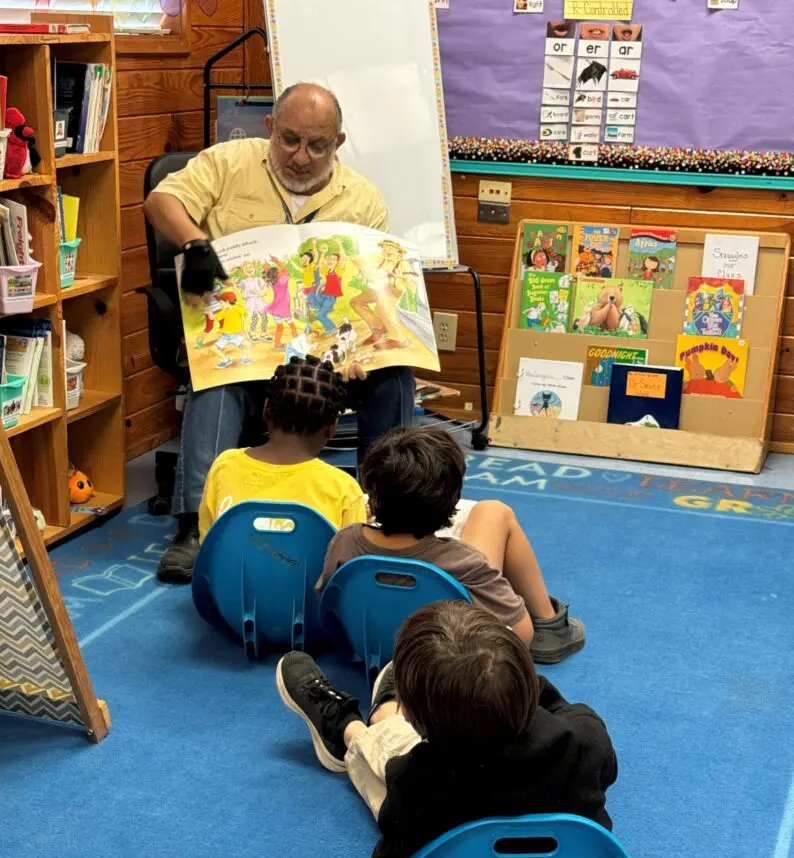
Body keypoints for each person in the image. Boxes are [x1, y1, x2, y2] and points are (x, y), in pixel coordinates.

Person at [143, 82, 415, 583]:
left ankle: (389, 515)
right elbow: (161, 202)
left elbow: (372, 291)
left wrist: (364, 350)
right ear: (270, 129)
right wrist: (196, 244)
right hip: (242, 341)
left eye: (317, 145)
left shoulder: (362, 199)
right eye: (289, 139)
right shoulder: (227, 162)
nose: (300, 157)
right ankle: (194, 527)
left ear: (338, 143)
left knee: (394, 376)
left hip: (324, 354)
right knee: (216, 382)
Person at [275, 602, 617, 858]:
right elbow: (582, 720)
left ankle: (352, 728)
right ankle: (383, 713)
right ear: (527, 683)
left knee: (388, 760)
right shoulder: (584, 744)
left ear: (415, 720)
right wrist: (521, 688)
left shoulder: (413, 781)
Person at [316, 426, 585, 664]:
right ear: (451, 504)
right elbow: (522, 634)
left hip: (369, 649)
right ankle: (550, 624)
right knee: (495, 511)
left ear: (371, 495)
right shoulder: (461, 560)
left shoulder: (347, 540)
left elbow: (328, 603)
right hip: (449, 664)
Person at [198, 356, 366, 540]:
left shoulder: (224, 467)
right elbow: (347, 563)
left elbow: (208, 545)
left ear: (266, 410)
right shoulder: (345, 491)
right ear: (332, 428)